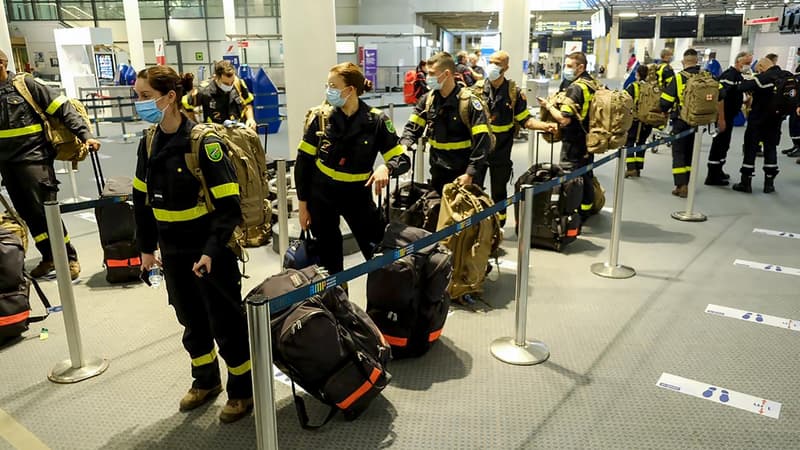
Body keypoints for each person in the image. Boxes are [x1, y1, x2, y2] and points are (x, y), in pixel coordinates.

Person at [132, 65, 253, 423]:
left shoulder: (205, 143)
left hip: (209, 250)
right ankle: (205, 381)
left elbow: (228, 207)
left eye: (144, 97)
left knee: (226, 321)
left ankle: (242, 390)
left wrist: (211, 251)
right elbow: (142, 200)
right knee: (190, 319)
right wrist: (145, 248)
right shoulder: (150, 141)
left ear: (169, 97)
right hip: (172, 250)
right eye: (137, 96)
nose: (139, 104)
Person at [295, 62, 410, 275]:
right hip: (322, 196)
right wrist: (303, 205)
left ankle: (380, 304)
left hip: (358, 195)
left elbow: (402, 159)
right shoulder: (321, 119)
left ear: (350, 90)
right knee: (329, 262)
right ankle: (336, 303)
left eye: (333, 85)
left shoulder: (376, 121)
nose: (328, 90)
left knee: (377, 254)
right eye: (327, 85)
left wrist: (387, 167)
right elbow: (303, 163)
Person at [0, 49, 101, 280]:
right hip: (7, 164)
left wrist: (86, 136)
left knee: (47, 210)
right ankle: (49, 256)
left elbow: (63, 108)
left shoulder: (25, 85)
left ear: (1, 64)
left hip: (34, 159)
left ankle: (68, 258)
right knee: (27, 212)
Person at [478, 50, 557, 226]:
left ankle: (499, 227)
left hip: (501, 152)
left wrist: (545, 126)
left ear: (506, 67)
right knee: (474, 190)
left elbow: (526, 120)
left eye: (497, 63)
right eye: (490, 62)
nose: (492, 66)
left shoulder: (513, 93)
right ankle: (476, 228)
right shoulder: (476, 90)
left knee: (499, 192)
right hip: (478, 152)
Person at [400, 51, 491, 195]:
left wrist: (470, 173)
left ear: (447, 73)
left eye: (432, 74)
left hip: (465, 173)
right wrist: (405, 144)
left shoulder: (469, 102)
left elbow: (482, 142)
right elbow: (412, 127)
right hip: (438, 171)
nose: (428, 78)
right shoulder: (428, 100)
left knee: (465, 216)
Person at [537, 51, 596, 218]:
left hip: (574, 141)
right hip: (589, 138)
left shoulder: (576, 88)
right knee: (586, 174)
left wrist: (548, 106)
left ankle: (573, 214)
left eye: (570, 66)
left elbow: (564, 120)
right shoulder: (591, 83)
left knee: (571, 178)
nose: (566, 69)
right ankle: (586, 210)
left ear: (581, 67)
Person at [660, 48, 718, 198]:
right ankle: (689, 182)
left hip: (681, 120)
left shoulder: (678, 78)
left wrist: (663, 110)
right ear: (697, 61)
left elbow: (665, 102)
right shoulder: (708, 76)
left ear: (683, 62)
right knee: (691, 152)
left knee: (678, 152)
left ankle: (681, 185)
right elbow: (721, 94)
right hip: (699, 122)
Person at [732, 58, 788, 193]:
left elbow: (742, 87)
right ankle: (769, 184)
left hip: (758, 118)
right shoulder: (786, 75)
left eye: (758, 69)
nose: (758, 72)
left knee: (751, 148)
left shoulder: (764, 78)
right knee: (771, 148)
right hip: (776, 119)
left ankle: (746, 182)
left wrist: (751, 79)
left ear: (762, 67)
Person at [706, 51, 753, 186]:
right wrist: (721, 119)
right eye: (746, 63)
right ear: (738, 62)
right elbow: (721, 98)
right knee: (718, 144)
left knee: (725, 145)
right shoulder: (729, 76)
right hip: (723, 116)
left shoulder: (738, 76)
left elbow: (735, 94)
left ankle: (719, 170)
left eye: (749, 63)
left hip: (730, 116)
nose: (748, 66)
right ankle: (712, 175)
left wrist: (744, 101)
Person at [182, 60, 256, 130]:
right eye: (226, 83)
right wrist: (195, 125)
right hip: (215, 133)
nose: (230, 85)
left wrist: (250, 119)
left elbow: (247, 103)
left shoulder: (238, 84)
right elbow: (185, 104)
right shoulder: (203, 90)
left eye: (232, 82)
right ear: (216, 77)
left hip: (237, 130)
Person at [624, 64, 654, 178]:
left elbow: (625, 101)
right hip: (647, 120)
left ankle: (631, 168)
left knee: (629, 143)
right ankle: (638, 168)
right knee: (641, 143)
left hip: (635, 121)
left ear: (637, 74)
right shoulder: (651, 87)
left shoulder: (633, 86)